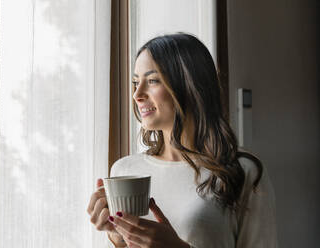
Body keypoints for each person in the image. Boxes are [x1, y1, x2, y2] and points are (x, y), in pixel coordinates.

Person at [87, 33, 278, 248]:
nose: (137, 94)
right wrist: (116, 236)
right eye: (135, 82)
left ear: (189, 85)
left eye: (152, 80)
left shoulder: (241, 171)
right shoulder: (124, 170)